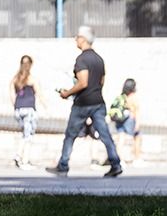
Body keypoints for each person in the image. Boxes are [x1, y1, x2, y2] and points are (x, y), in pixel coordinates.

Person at [46, 25, 123, 177]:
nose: (76, 40)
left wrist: (67, 93)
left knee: (70, 135)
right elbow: (101, 81)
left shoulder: (82, 59)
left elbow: (83, 82)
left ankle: (63, 165)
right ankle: (115, 164)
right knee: (105, 135)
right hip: (98, 102)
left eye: (77, 37)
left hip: (83, 103)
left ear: (83, 39)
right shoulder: (99, 59)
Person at [10, 54, 41, 169]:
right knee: (28, 136)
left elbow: (11, 95)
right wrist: (46, 107)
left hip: (18, 109)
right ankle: (23, 159)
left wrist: (16, 106)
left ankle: (21, 157)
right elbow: (39, 93)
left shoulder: (15, 79)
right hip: (29, 110)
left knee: (25, 133)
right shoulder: (31, 79)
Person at [109, 79, 142, 164]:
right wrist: (137, 123)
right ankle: (137, 158)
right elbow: (136, 110)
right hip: (130, 119)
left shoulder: (122, 96)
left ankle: (119, 159)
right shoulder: (133, 96)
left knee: (121, 138)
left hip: (120, 119)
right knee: (136, 137)